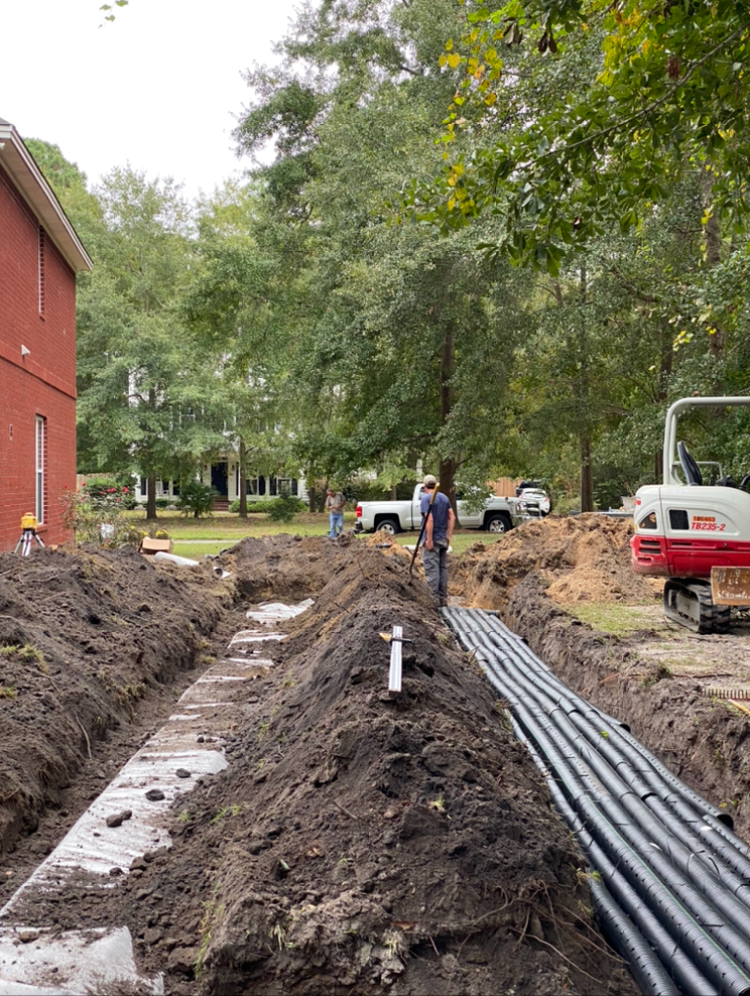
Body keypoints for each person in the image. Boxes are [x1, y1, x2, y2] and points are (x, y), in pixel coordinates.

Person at [420, 474, 455, 608]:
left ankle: (433, 601)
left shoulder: (426, 499)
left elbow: (429, 519)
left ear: (424, 486)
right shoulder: (444, 498)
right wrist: (448, 535)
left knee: (432, 568)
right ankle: (442, 599)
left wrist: (429, 539)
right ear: (435, 485)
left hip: (432, 540)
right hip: (442, 539)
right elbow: (452, 516)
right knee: (442, 568)